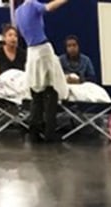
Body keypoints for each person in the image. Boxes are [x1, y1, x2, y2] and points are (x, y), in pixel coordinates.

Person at [14, 0, 72, 142]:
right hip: (43, 49)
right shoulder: (33, 5)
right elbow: (49, 7)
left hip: (31, 51)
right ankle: (49, 133)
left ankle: (34, 130)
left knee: (36, 92)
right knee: (51, 91)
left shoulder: (17, 12)